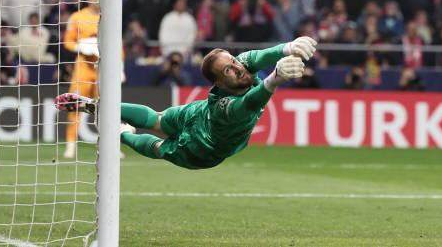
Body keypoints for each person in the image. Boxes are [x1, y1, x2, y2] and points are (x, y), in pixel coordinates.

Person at [55, 37, 317, 169]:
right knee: (159, 139)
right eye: (228, 70)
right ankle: (107, 118)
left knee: (158, 123)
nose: (237, 68)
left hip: (204, 135)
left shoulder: (241, 66)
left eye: (234, 61)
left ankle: (117, 128)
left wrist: (289, 47)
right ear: (219, 83)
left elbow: (261, 56)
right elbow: (250, 102)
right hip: (198, 143)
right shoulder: (225, 107)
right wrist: (275, 78)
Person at [62, 0, 100, 159]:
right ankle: (71, 145)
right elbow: (67, 42)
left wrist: (120, 65)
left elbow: (118, 44)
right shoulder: (77, 17)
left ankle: (111, 146)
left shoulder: (109, 16)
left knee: (105, 109)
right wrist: (81, 46)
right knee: (75, 106)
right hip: (83, 68)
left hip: (102, 69)